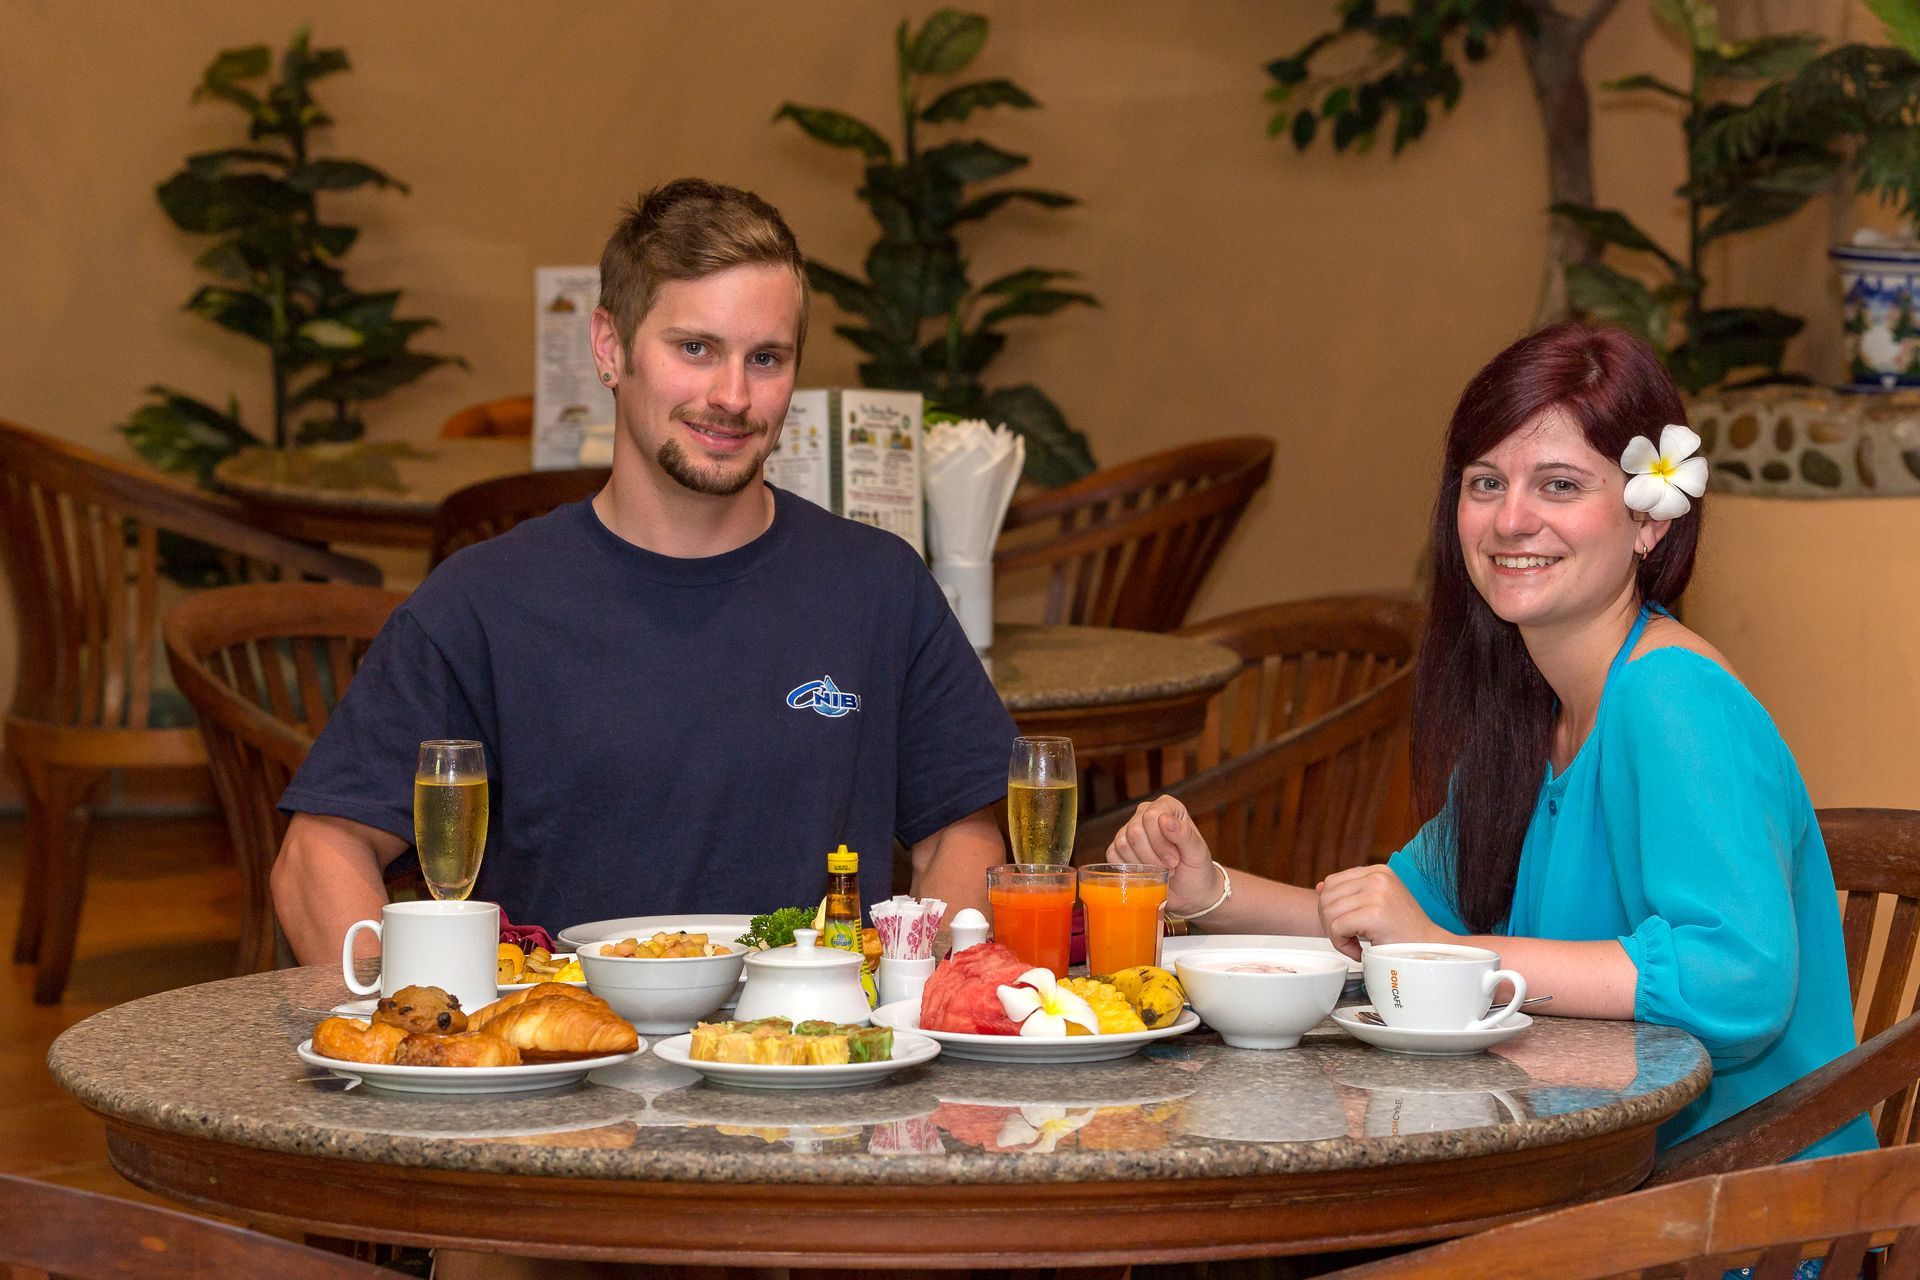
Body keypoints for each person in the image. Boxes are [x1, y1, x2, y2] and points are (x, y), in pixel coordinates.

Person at [1110, 323, 1874, 1157]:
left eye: (1558, 485)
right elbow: (1387, 923)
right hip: (1595, 1172)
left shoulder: (1672, 697)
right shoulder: (1531, 715)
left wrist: (1447, 953)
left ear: (1649, 521)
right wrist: (1206, 891)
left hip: (1742, 1219)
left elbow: (1736, 982)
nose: (1512, 520)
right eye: (1486, 482)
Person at [274, 178, 1015, 965]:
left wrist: (913, 997)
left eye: (765, 358)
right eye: (694, 349)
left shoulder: (877, 588)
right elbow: (319, 852)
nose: (732, 396)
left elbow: (963, 836)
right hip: (561, 1069)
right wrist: (418, 1033)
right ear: (609, 347)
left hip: (813, 1062)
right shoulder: (481, 605)